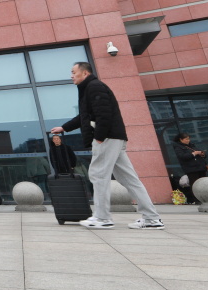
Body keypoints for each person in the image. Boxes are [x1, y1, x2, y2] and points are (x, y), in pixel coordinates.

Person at [51, 61, 163, 230]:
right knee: (129, 179)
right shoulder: (89, 88)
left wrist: (99, 137)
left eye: (74, 72)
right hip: (113, 138)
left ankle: (102, 218)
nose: (71, 75)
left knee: (98, 175)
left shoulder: (94, 87)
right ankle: (151, 218)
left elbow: (104, 114)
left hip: (107, 138)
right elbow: (84, 116)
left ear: (85, 73)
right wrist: (64, 128)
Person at [173, 133, 208, 205]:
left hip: (201, 167)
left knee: (203, 183)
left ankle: (205, 198)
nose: (188, 140)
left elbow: (203, 154)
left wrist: (202, 154)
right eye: (186, 139)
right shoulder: (178, 147)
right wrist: (193, 154)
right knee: (194, 184)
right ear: (181, 139)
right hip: (191, 169)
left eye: (188, 139)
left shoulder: (192, 145)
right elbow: (183, 157)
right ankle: (197, 199)